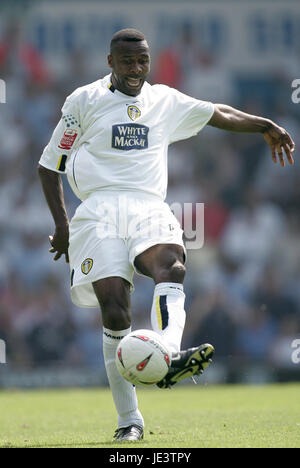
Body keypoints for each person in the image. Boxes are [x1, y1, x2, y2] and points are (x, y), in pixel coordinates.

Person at [38, 29, 295, 442]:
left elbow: (218, 113)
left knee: (172, 264)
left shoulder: (164, 101)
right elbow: (50, 167)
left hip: (147, 205)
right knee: (115, 308)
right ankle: (130, 420)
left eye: (142, 61)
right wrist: (63, 226)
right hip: (99, 210)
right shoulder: (83, 102)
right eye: (126, 62)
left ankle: (168, 353)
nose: (136, 69)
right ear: (110, 63)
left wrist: (264, 124)